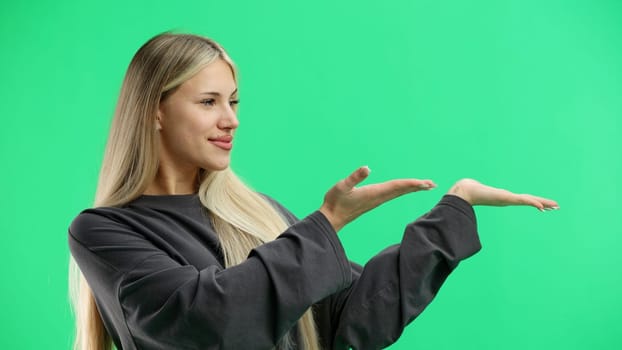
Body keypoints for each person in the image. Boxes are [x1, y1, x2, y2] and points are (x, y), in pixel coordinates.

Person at [67, 32, 559, 350]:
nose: (231, 120)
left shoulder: (258, 213)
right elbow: (208, 324)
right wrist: (328, 223)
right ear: (155, 109)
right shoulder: (104, 232)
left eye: (234, 102)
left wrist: (453, 211)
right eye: (209, 101)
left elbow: (352, 321)